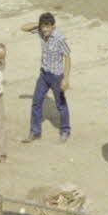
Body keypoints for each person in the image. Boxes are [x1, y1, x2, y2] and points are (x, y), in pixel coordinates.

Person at [21, 12, 71, 143]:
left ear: (53, 26)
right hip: (43, 74)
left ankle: (65, 130)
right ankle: (35, 132)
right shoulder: (40, 32)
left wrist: (65, 78)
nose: (45, 30)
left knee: (61, 105)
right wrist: (39, 25)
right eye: (43, 27)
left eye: (48, 27)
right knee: (36, 102)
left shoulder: (60, 38)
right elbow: (23, 27)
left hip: (56, 77)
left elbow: (67, 57)